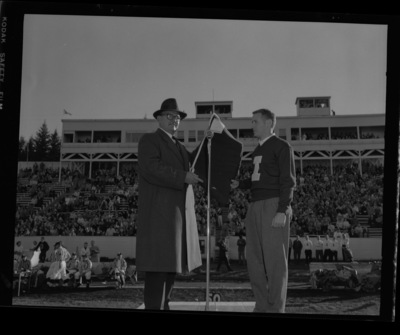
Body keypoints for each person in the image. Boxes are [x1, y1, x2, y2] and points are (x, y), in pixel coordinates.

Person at [136, 98, 203, 310]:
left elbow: (196, 161)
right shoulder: (149, 140)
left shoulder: (180, 147)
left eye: (178, 117)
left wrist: (209, 141)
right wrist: (183, 176)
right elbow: (152, 168)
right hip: (159, 218)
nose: (175, 120)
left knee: (169, 274)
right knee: (157, 275)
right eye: (170, 116)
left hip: (175, 218)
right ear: (158, 118)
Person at [231, 108, 296, 313]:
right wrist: (240, 184)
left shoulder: (282, 146)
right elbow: (257, 180)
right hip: (255, 204)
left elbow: (288, 181)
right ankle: (261, 305)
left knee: (275, 261)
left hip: (273, 204)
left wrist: (282, 209)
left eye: (255, 121)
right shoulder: (257, 150)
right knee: (255, 261)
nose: (252, 125)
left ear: (268, 123)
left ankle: (276, 308)